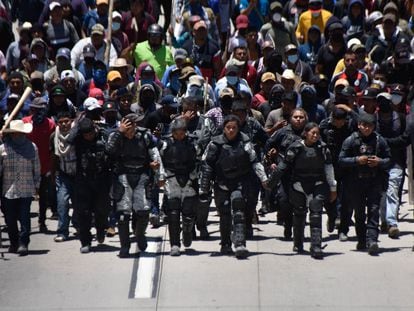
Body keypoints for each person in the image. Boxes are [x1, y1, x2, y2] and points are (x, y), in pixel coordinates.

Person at [200, 115, 268, 258]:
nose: (231, 130)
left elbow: (254, 161)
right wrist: (204, 187)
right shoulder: (215, 144)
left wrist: (264, 178)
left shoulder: (245, 142)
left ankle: (240, 243)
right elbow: (207, 165)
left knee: (238, 210)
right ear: (223, 128)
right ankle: (225, 244)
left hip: (240, 182)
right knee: (224, 214)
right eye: (228, 127)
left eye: (234, 128)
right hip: (221, 184)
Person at [268, 122, 337, 259]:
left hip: (318, 183)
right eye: (312, 133)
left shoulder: (323, 149)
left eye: (317, 133)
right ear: (305, 133)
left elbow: (329, 169)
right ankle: (298, 242)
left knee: (316, 212)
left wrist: (333, 188)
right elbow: (283, 166)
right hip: (298, 185)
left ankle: (316, 245)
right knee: (299, 214)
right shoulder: (295, 148)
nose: (315, 136)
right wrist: (271, 183)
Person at [106, 113, 165, 258]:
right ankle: (125, 246)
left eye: (133, 126)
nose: (132, 130)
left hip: (141, 176)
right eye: (128, 127)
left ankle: (140, 235)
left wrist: (160, 174)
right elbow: (109, 151)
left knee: (143, 210)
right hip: (123, 176)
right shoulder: (115, 136)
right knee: (123, 213)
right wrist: (119, 133)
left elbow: (155, 155)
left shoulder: (145, 136)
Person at [338, 113, 391, 255]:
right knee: (359, 213)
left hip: (374, 181)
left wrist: (379, 162)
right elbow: (341, 160)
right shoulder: (350, 140)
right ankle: (361, 239)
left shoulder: (380, 141)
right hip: (356, 182)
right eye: (364, 125)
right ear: (359, 125)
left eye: (370, 126)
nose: (367, 129)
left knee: (374, 211)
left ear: (374, 127)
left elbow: (389, 160)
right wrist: (356, 160)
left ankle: (372, 240)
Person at [68, 117, 111, 253]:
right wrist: (77, 126)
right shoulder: (78, 139)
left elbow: (111, 150)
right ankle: (85, 241)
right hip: (83, 180)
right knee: (83, 213)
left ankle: (100, 229)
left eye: (90, 133)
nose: (88, 136)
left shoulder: (103, 135)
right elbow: (68, 140)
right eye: (85, 134)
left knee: (101, 210)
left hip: (101, 179)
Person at [0, 120, 41, 255]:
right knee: (10, 219)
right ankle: (14, 242)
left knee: (24, 217)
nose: (17, 136)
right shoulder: (3, 148)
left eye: (19, 133)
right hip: (8, 189)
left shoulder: (32, 147)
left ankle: (24, 243)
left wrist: (37, 186)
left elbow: (36, 167)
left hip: (26, 188)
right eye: (14, 133)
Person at [159, 118, 198, 256]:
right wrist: (160, 176)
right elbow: (159, 161)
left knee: (188, 212)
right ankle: (174, 244)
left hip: (189, 179)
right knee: (173, 213)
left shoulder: (193, 142)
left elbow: (200, 160)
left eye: (182, 132)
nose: (179, 135)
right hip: (172, 179)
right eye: (177, 133)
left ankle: (187, 231)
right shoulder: (165, 144)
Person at [23, 98, 56, 232]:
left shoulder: (50, 124)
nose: (39, 113)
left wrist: (52, 168)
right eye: (36, 110)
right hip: (26, 166)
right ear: (32, 110)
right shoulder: (25, 122)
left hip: (44, 165)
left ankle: (42, 221)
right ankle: (24, 224)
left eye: (42, 110)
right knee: (25, 197)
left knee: (43, 196)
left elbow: (53, 148)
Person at [50, 111, 77, 242]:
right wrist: (53, 173)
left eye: (67, 121)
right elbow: (54, 156)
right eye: (61, 122)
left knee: (80, 205)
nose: (64, 124)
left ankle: (80, 227)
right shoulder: (54, 136)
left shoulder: (77, 134)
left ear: (71, 121)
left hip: (78, 176)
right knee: (62, 204)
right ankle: (62, 232)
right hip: (63, 175)